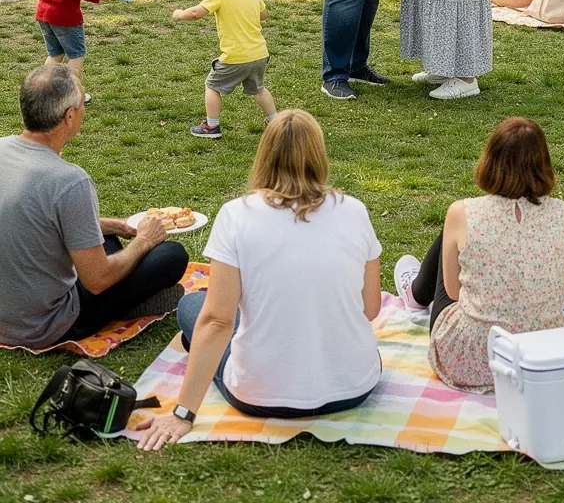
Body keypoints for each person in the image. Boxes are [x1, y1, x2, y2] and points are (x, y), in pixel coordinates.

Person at [135, 110, 382, 449]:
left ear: (264, 155)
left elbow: (217, 320)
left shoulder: (236, 216)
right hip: (354, 386)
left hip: (261, 393)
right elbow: (369, 309)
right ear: (320, 155)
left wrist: (183, 413)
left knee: (194, 304)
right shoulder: (354, 210)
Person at [0, 66, 188, 349]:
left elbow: (31, 217)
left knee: (108, 238)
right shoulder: (69, 181)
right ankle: (131, 306)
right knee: (171, 256)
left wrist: (114, 224)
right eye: (83, 104)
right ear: (69, 116)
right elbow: (98, 280)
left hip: (10, 306)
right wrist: (143, 241)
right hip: (45, 325)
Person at [394, 118, 564, 393]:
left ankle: (416, 293)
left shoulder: (464, 212)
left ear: (490, 160)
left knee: (453, 236)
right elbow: (562, 286)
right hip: (543, 356)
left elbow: (453, 292)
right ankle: (417, 292)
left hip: (473, 357)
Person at [172, 0, 277, 139]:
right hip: (259, 55)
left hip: (235, 57)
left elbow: (196, 13)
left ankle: (211, 127)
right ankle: (275, 121)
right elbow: (264, 15)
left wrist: (179, 14)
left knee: (212, 86)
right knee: (259, 90)